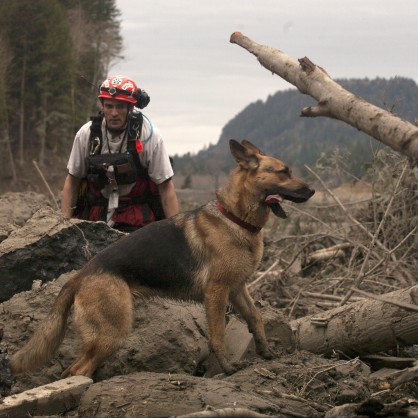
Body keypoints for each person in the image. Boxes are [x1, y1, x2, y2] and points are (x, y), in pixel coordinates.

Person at [61, 75, 179, 231]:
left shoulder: (149, 136)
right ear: (102, 106)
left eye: (120, 106)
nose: (114, 113)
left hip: (137, 219)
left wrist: (176, 232)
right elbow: (72, 181)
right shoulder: (86, 134)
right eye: (109, 106)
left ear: (130, 108)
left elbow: (165, 186)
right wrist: (64, 226)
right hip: (94, 216)